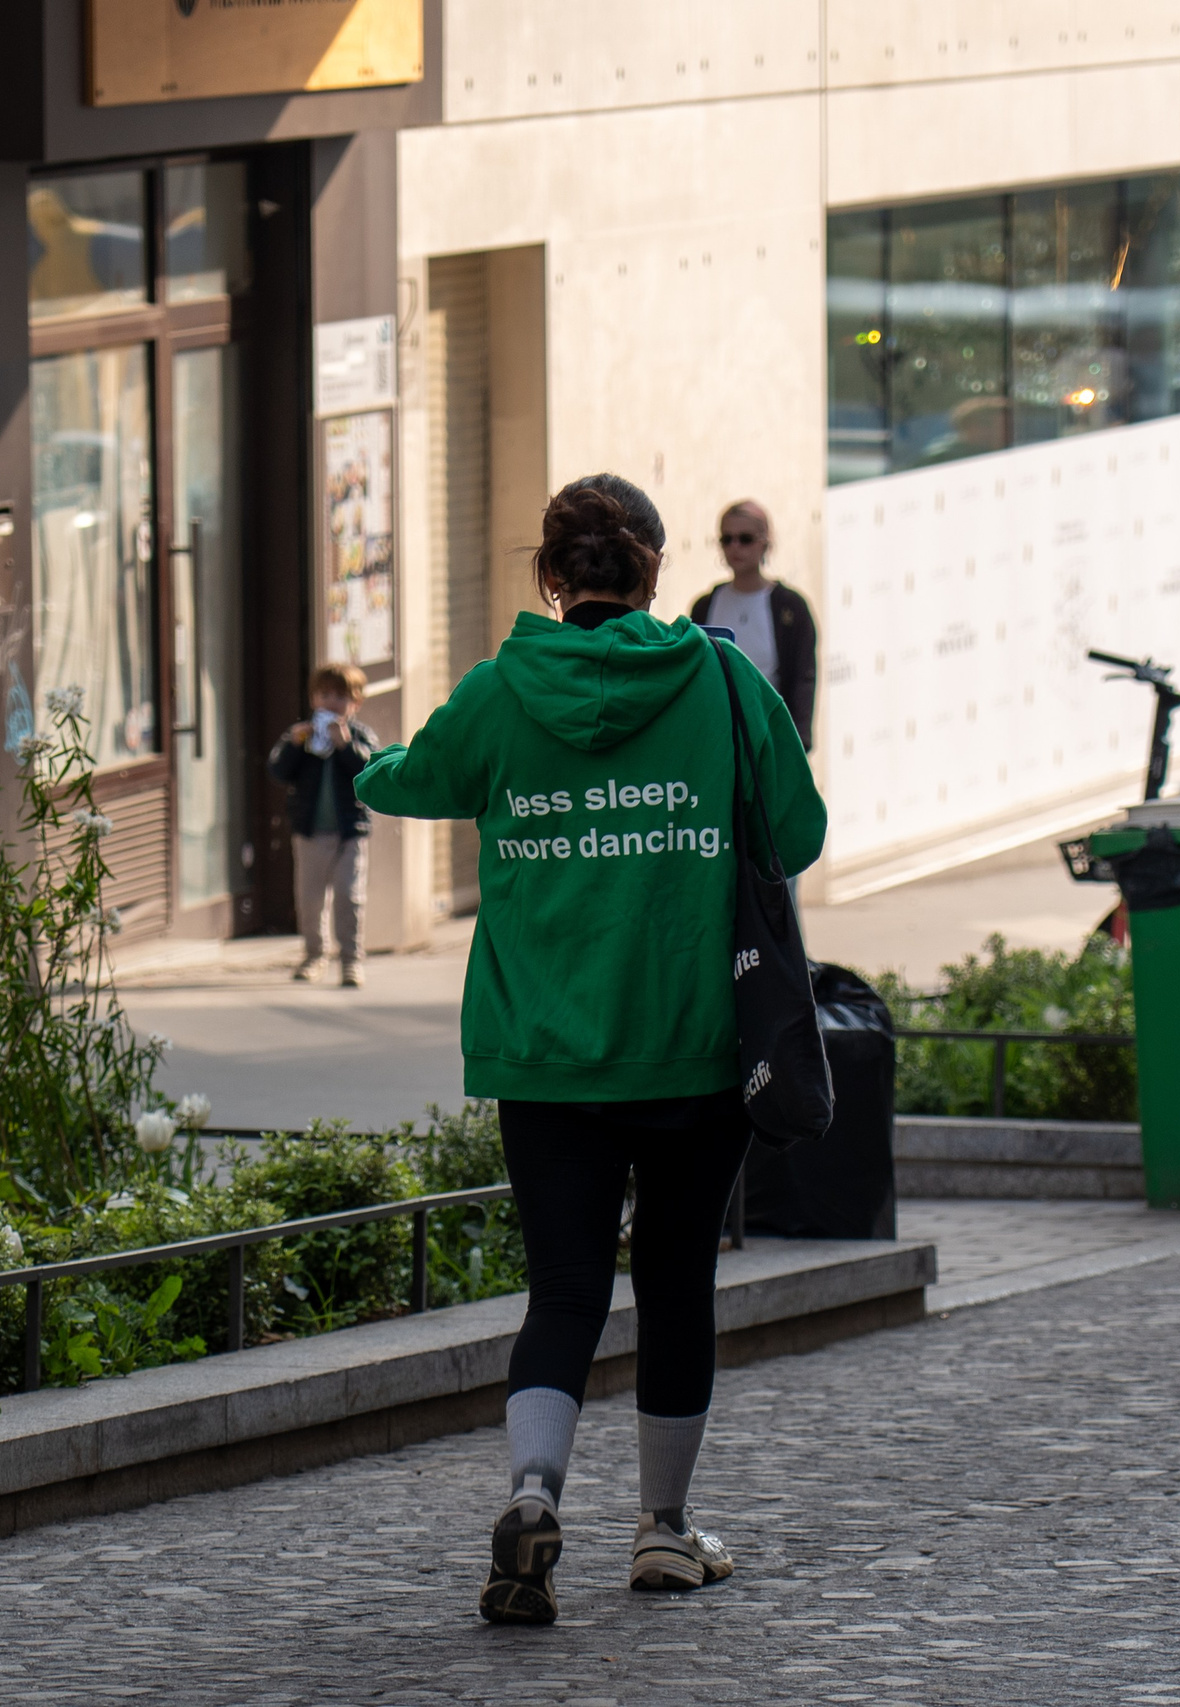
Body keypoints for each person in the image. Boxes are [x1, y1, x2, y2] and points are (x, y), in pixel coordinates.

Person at [354, 474, 824, 1627]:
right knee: (674, 1286)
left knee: (562, 1290)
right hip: (694, 1049)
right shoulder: (720, 678)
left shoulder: (503, 689)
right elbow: (801, 831)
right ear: (656, 568)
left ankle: (531, 1493)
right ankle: (664, 1534)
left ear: (549, 576)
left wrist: (364, 760)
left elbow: (411, 781)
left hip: (545, 1056)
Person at [267, 663, 379, 986]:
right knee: (311, 898)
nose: (332, 703)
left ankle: (351, 961)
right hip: (310, 831)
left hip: (349, 832)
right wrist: (294, 743)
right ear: (314, 698)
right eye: (325, 695)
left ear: (355, 703)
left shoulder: (360, 735)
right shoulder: (303, 734)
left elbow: (371, 770)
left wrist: (345, 747)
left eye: (341, 697)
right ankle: (314, 955)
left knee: (348, 895)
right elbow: (278, 772)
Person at [689, 500, 818, 750]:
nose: (735, 547)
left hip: (771, 738)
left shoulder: (791, 608)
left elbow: (803, 677)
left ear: (765, 542)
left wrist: (799, 742)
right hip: (720, 740)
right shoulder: (705, 606)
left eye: (745, 538)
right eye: (726, 539)